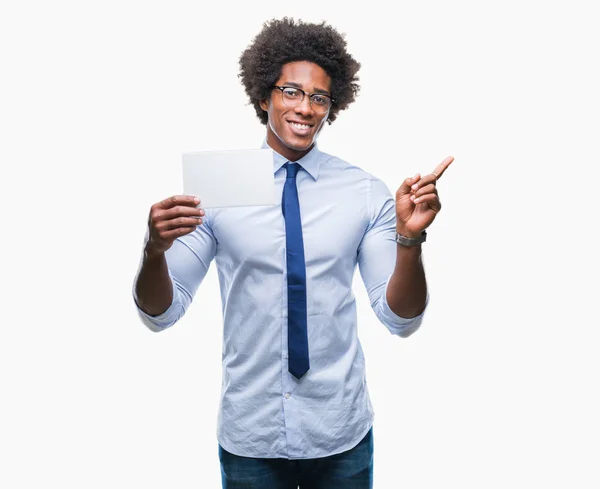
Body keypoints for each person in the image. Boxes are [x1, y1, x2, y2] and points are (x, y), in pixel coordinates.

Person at [133, 17, 453, 489]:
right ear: (263, 97)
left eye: (319, 97)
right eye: (291, 91)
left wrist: (409, 240)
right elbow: (162, 312)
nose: (305, 107)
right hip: (252, 435)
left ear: (332, 107)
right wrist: (154, 250)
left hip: (340, 430)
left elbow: (400, 319)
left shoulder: (363, 191)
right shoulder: (217, 189)